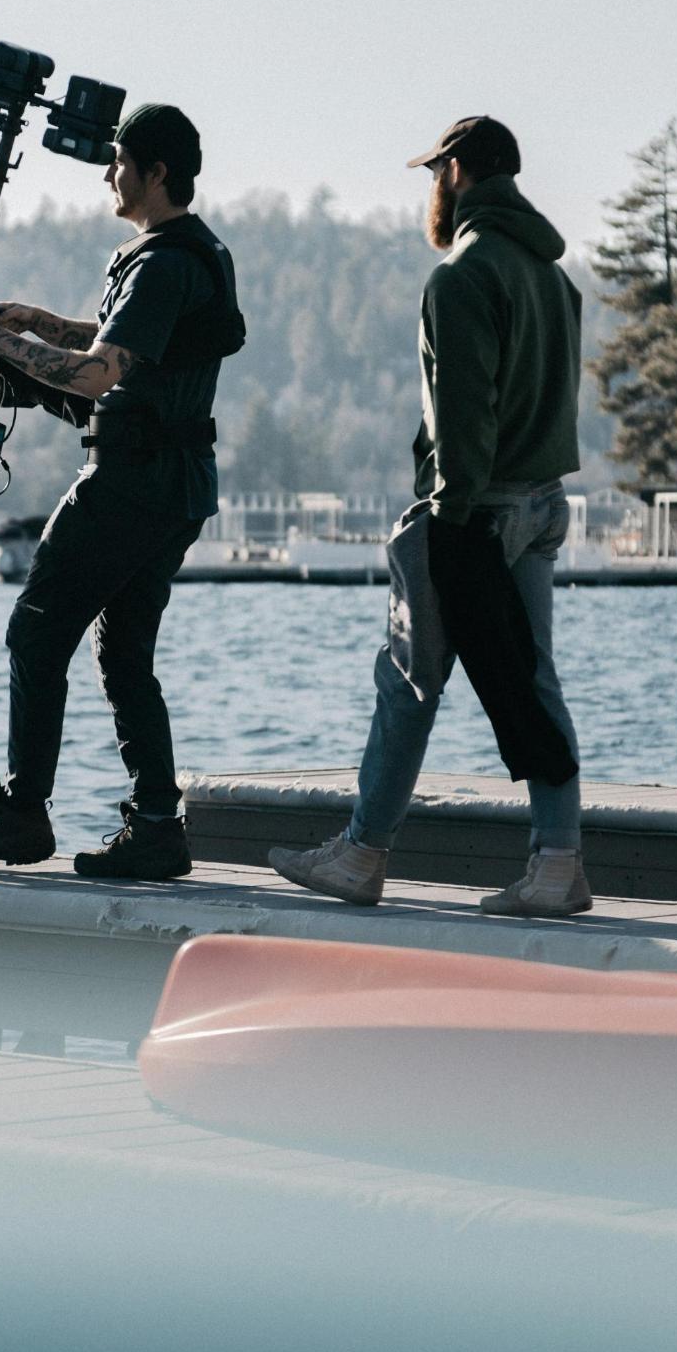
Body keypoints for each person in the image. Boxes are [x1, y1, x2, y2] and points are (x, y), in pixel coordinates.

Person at [270, 115, 591, 918]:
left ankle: (360, 854)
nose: (429, 189)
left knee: (408, 679)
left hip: (474, 509)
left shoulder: (460, 276)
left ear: (456, 172)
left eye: (433, 172)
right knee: (532, 680)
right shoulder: (554, 277)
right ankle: (559, 865)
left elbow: (462, 417)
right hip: (544, 500)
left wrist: (447, 518)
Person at [0, 104, 244, 880]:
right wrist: (41, 322)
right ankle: (157, 826)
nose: (108, 174)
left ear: (155, 171)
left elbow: (103, 374)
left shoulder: (161, 261)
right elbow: (124, 343)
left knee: (36, 634)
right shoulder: (192, 254)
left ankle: (21, 812)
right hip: (177, 486)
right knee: (125, 653)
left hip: (129, 482)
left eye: (118, 161)